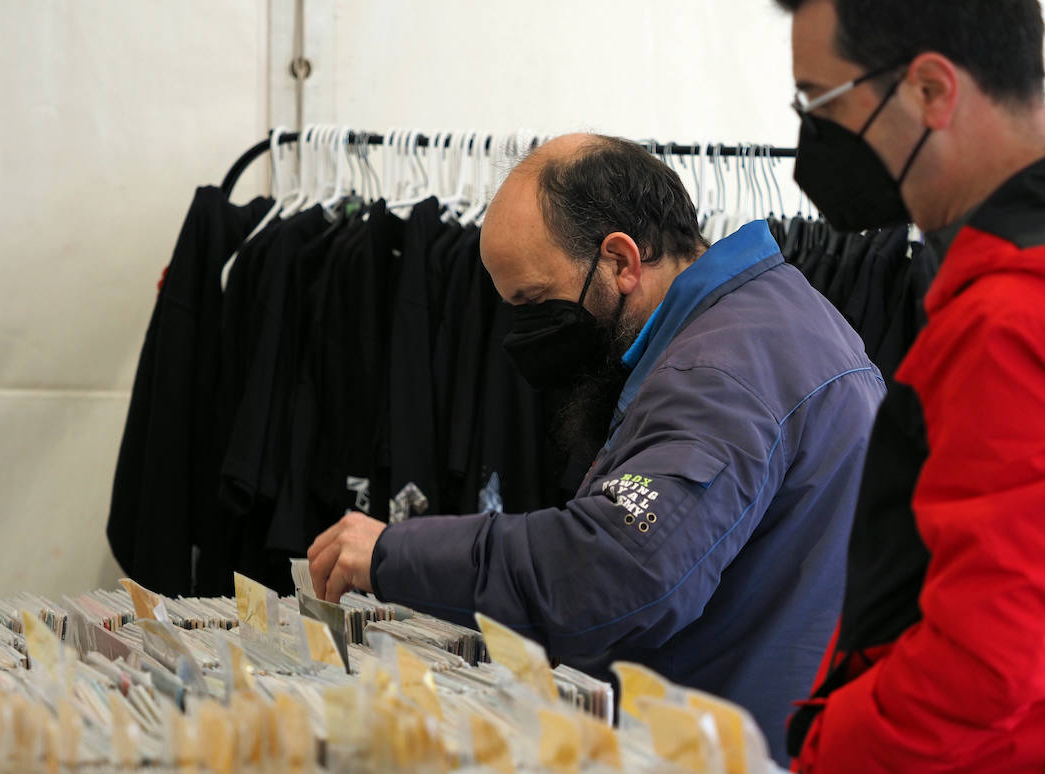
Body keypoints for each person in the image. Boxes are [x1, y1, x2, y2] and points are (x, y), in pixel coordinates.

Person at [308, 133, 884, 759]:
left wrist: (397, 552)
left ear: (621, 261)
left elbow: (615, 570)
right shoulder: (772, 318)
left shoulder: (721, 372)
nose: (525, 332)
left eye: (533, 301)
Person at [774, 1, 1045, 771]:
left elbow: (986, 660)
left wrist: (829, 750)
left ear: (932, 90)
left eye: (820, 103)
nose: (812, 133)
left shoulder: (1013, 325)